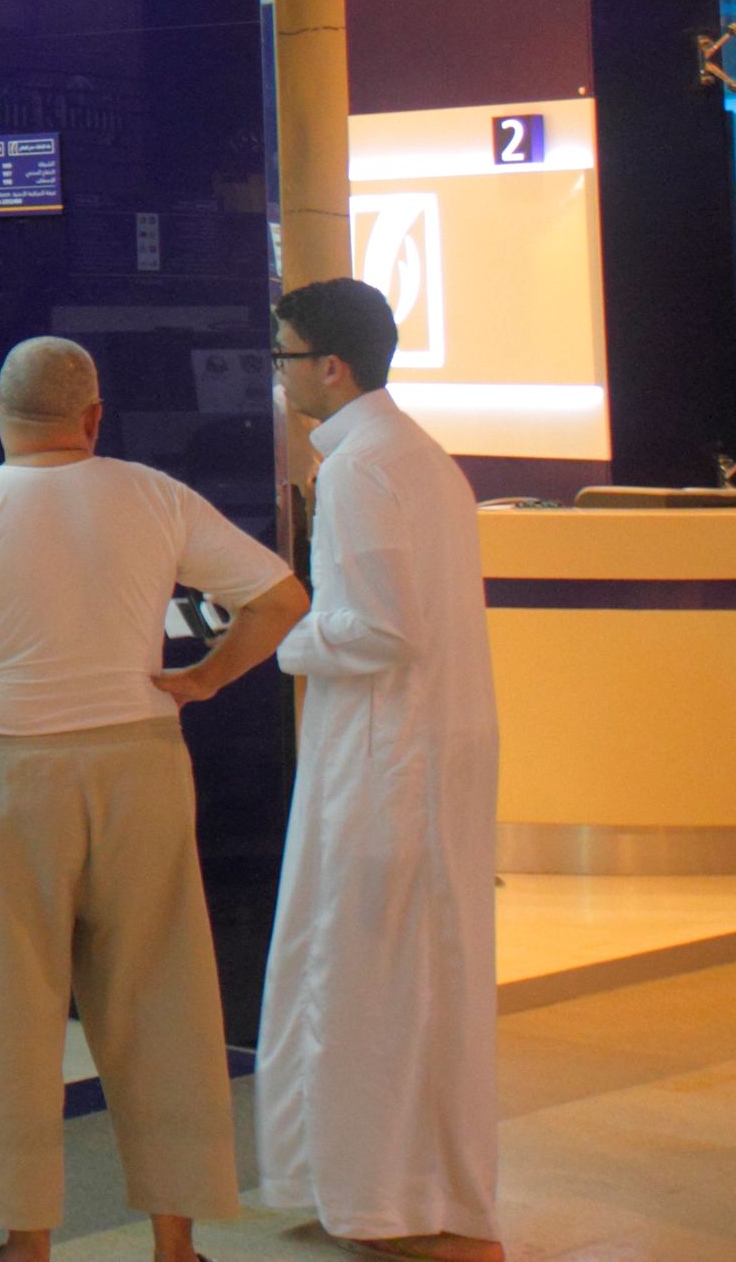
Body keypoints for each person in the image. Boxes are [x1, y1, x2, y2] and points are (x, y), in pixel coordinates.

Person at [0, 336, 308, 1262]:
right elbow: (280, 598)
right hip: (142, 767)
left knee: (8, 1009)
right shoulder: (153, 493)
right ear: (94, 418)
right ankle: (176, 1246)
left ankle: (27, 1242)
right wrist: (206, 678)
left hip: (8, 777)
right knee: (164, 1000)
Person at [256, 277, 504, 1262]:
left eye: (282, 356)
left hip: (380, 764)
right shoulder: (421, 459)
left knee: (358, 981)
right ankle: (413, 1190)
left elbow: (376, 628)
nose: (274, 376)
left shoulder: (360, 468)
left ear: (329, 364)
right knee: (416, 982)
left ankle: (374, 1201)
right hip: (420, 758)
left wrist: (285, 644)